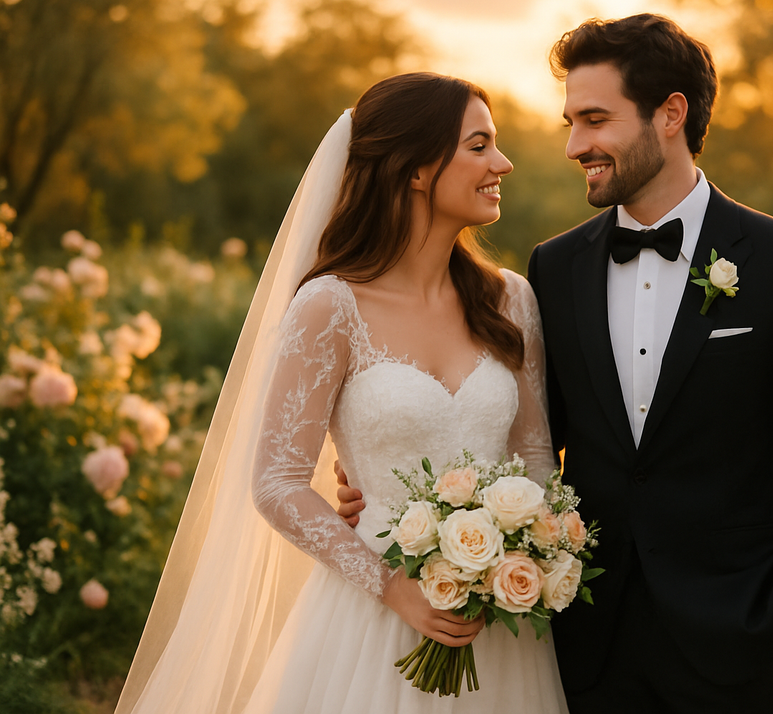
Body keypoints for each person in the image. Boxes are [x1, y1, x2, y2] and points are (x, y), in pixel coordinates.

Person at [341, 14, 773, 713]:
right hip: (581, 641)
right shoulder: (553, 270)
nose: (574, 145)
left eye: (594, 120)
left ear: (670, 114)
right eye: (570, 121)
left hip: (733, 641)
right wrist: (379, 480)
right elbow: (516, 441)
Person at [114, 73, 568, 714]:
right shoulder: (331, 305)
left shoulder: (511, 299)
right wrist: (393, 589)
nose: (503, 162)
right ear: (415, 169)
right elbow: (277, 482)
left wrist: (525, 560)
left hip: (501, 624)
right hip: (378, 612)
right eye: (478, 146)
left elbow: (534, 458)